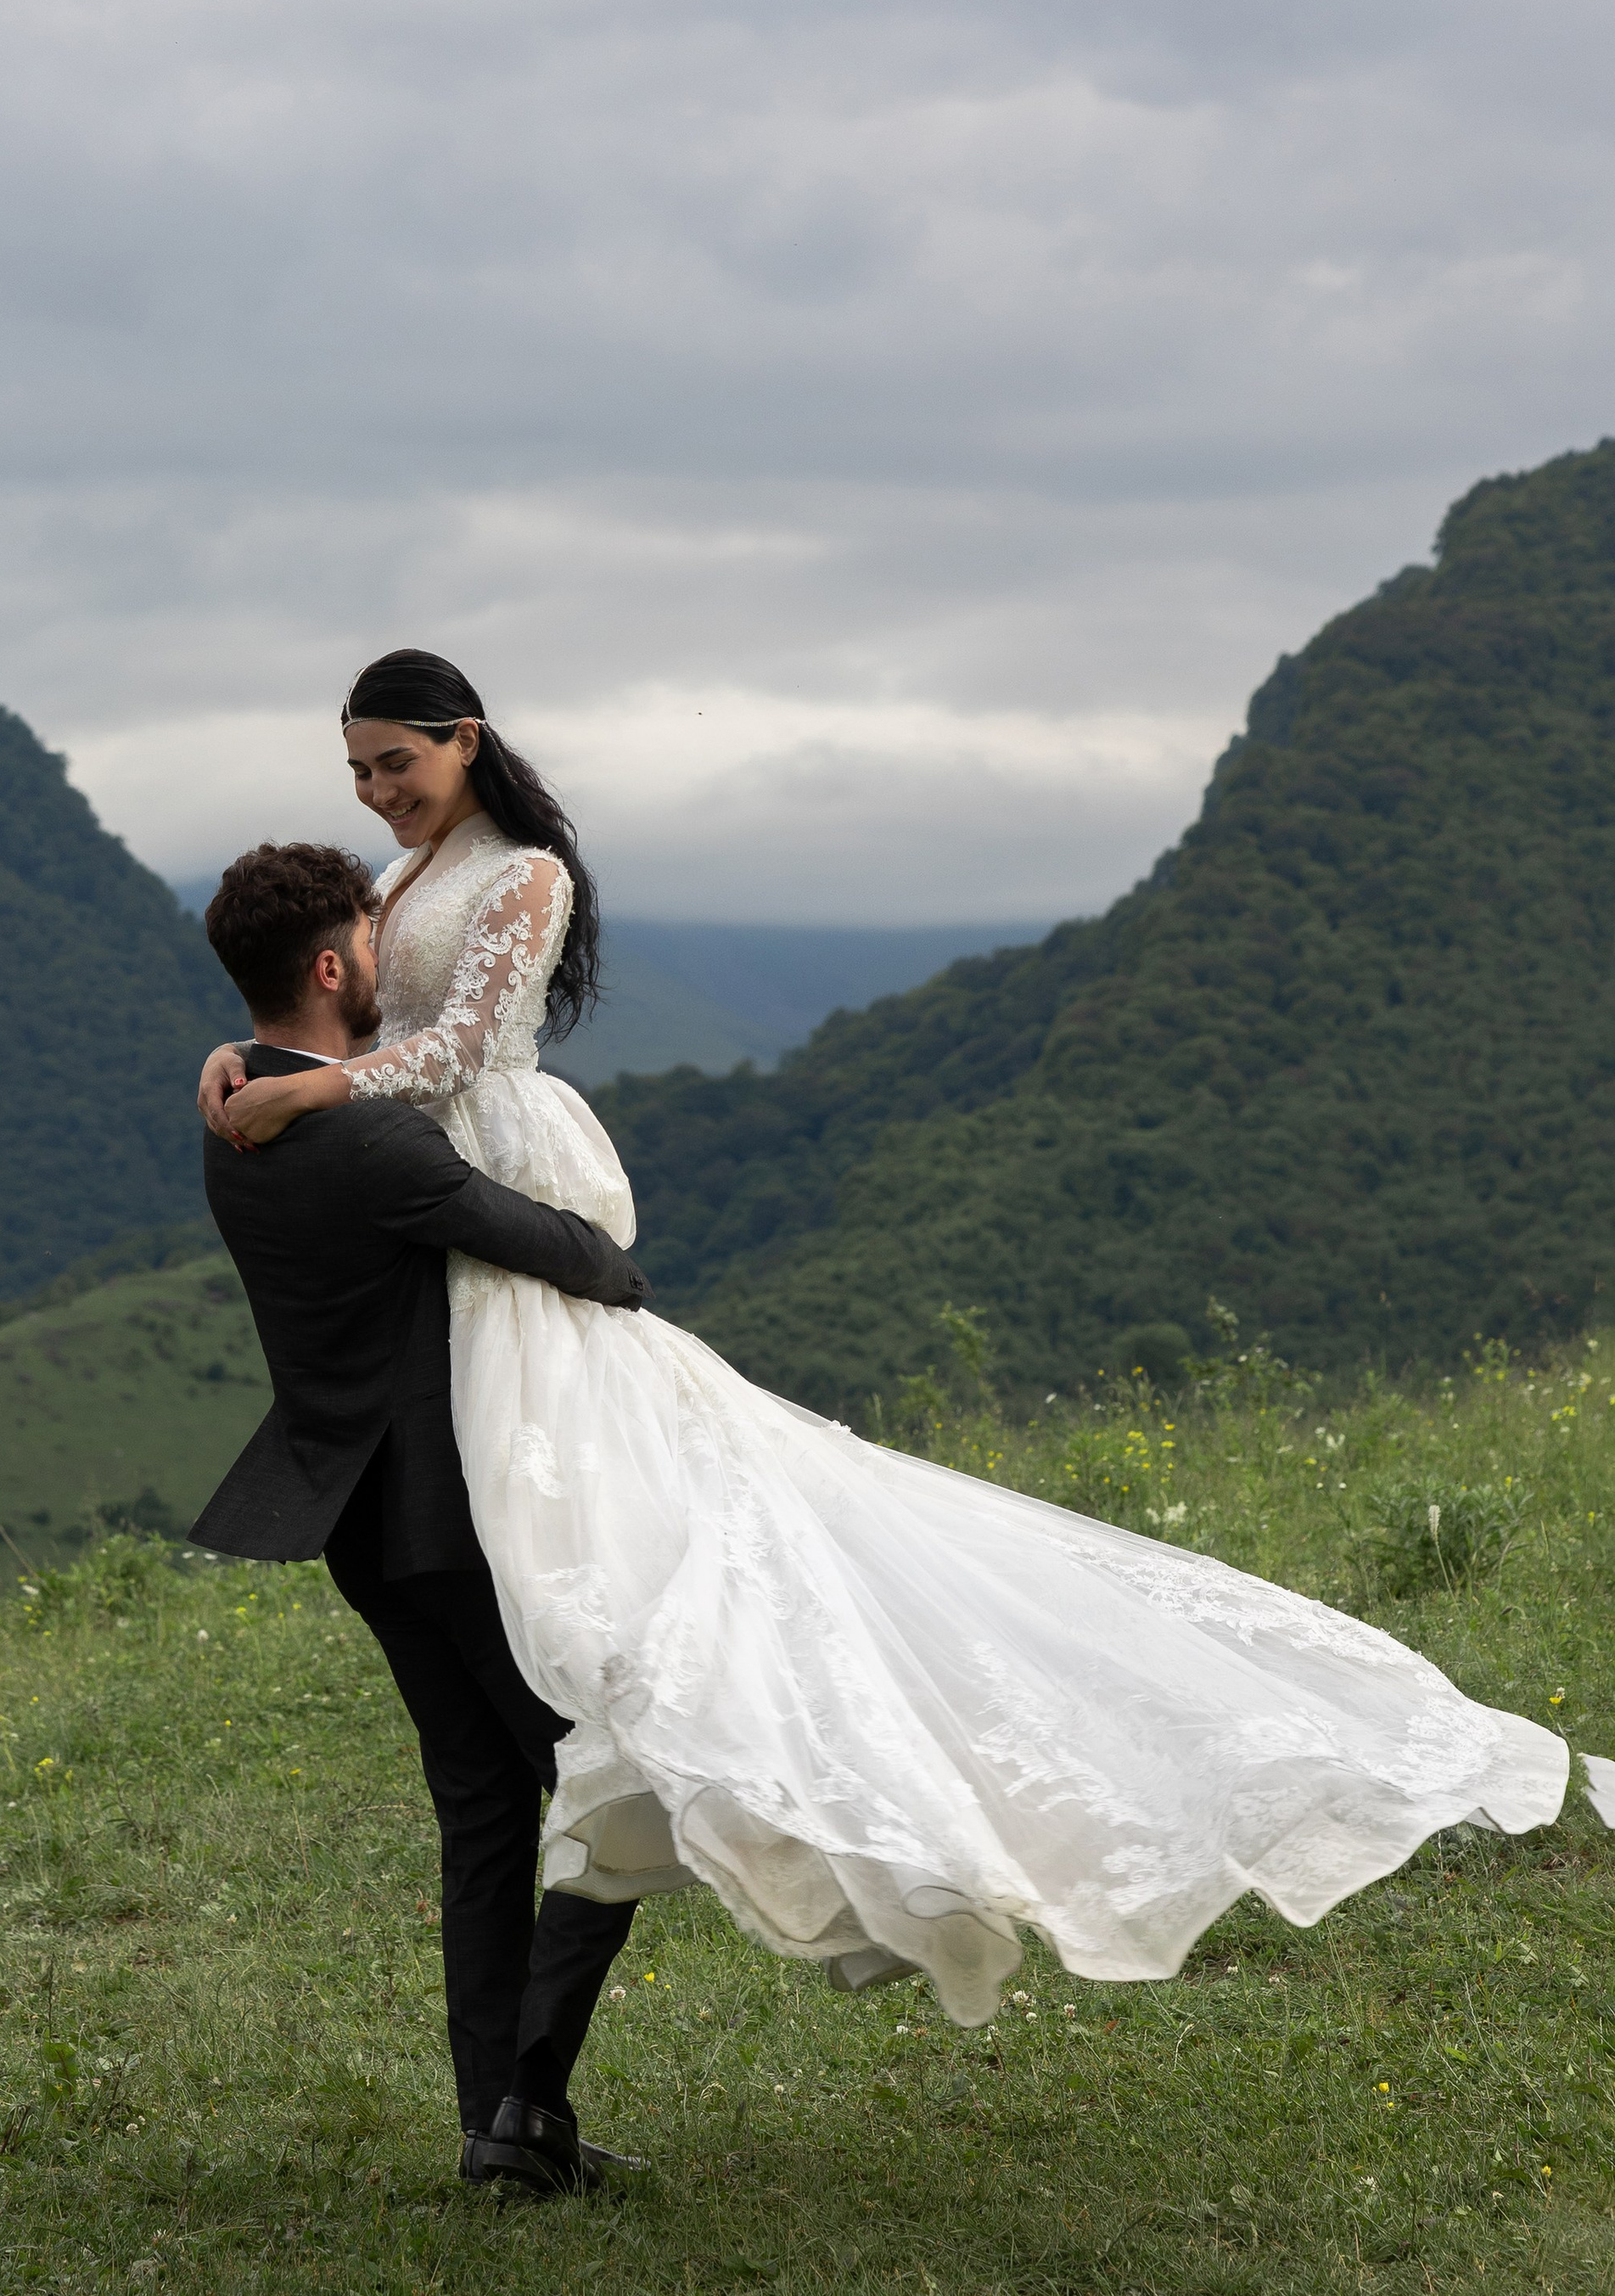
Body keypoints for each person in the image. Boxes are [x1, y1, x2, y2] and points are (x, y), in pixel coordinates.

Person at [199, 647, 1597, 2031]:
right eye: (359, 770)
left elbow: (457, 1047)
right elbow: (346, 998)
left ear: (467, 738)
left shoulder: (527, 874)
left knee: (592, 1470)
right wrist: (257, 1057)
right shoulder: (399, 878)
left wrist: (309, 1090)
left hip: (479, 1156)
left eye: (397, 761)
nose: (377, 791)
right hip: (414, 1180)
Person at [190, 839, 650, 2194]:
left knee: (484, 1806)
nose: (391, 953)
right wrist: (625, 1278)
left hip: (355, 1524)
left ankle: (493, 2125)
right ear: (336, 967)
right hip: (449, 1519)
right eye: (374, 937)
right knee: (605, 1778)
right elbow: (568, 1251)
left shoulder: (233, 1112)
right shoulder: (375, 1140)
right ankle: (527, 2106)